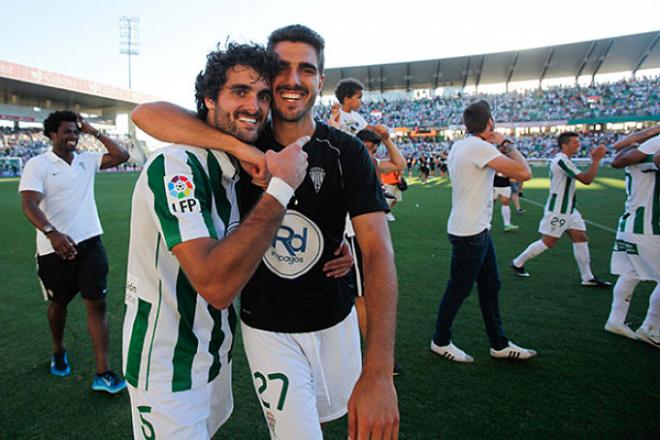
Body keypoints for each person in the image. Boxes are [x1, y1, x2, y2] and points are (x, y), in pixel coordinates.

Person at [131, 25, 399, 440]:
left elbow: (378, 249)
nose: (293, 80)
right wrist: (248, 153)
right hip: (258, 331)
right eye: (281, 69)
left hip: (326, 322)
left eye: (306, 69)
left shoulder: (345, 153)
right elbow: (146, 114)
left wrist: (380, 371)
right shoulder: (238, 141)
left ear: (320, 80)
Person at [122, 42, 310, 439]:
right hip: (167, 370)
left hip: (212, 359)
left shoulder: (226, 170)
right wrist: (280, 188)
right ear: (208, 99)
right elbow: (216, 285)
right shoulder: (176, 166)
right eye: (239, 92)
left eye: (262, 96)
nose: (255, 106)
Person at [19, 110, 130, 392]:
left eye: (75, 132)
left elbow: (122, 156)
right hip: (53, 249)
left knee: (97, 304)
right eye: (67, 131)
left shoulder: (86, 160)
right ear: (52, 134)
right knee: (59, 304)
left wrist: (94, 131)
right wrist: (51, 232)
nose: (72, 137)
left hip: (90, 244)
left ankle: (103, 373)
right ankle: (58, 349)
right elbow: (29, 204)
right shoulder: (38, 164)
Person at [430, 100, 536, 363]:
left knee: (491, 285)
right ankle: (440, 341)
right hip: (470, 232)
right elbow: (524, 172)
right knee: (459, 289)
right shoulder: (478, 147)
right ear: (489, 123)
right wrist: (507, 143)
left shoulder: (463, 144)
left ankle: (498, 343)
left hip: (476, 228)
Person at [511, 132, 612, 288]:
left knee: (581, 238)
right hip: (559, 210)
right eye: (575, 142)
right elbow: (586, 179)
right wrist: (596, 160)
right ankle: (518, 262)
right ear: (565, 145)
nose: (578, 145)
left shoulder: (565, 159)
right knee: (548, 242)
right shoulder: (561, 160)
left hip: (570, 210)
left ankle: (588, 277)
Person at [604, 126, 660, 347]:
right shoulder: (647, 160)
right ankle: (651, 327)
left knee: (631, 273)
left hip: (629, 224)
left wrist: (647, 134)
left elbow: (618, 151)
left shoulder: (632, 158)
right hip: (646, 227)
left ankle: (616, 320)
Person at [492, 140, 519, 231]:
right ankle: (485, 224)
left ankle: (507, 224)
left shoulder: (508, 157)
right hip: (494, 184)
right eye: (503, 147)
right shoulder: (494, 156)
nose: (505, 148)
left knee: (505, 203)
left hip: (505, 184)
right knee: (490, 204)